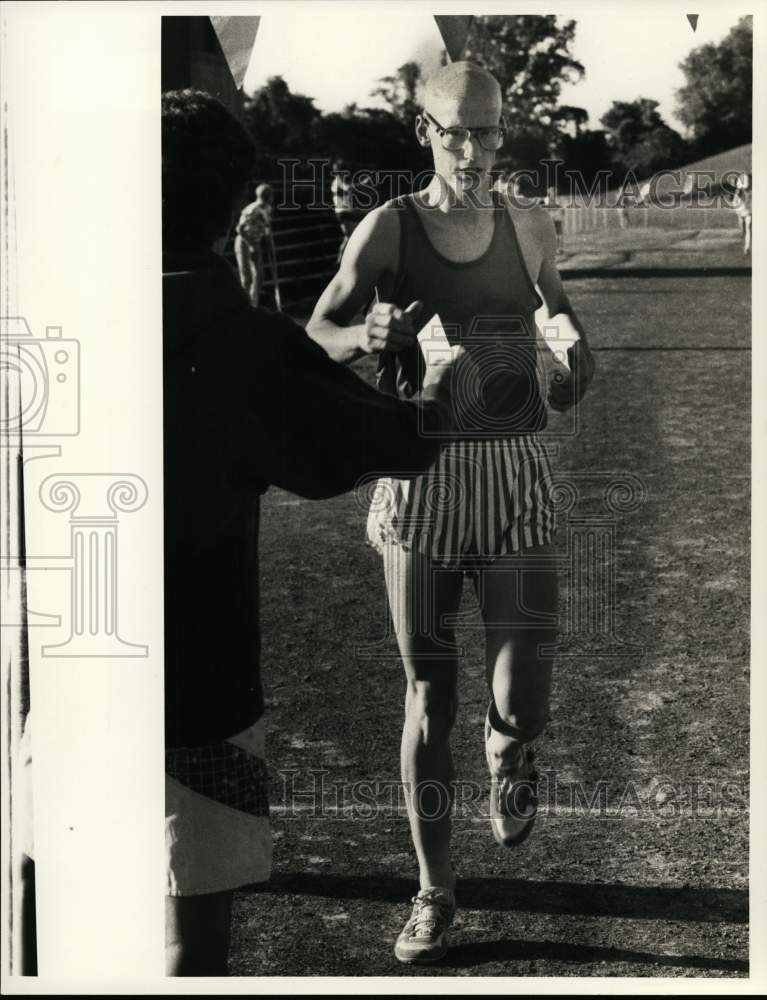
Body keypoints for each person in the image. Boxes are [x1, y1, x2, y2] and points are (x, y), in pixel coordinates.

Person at [162, 88, 462, 976]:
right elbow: (394, 441)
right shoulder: (245, 343)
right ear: (228, 204)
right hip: (196, 689)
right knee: (189, 932)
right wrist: (435, 374)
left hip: (51, 679)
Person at [307, 61, 595, 964]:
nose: (474, 150)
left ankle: (511, 758)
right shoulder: (389, 230)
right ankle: (434, 891)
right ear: (422, 132)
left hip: (512, 475)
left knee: (523, 701)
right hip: (422, 480)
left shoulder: (531, 224)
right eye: (456, 131)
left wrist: (573, 360)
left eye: (490, 130)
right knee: (430, 696)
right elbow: (319, 331)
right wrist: (365, 338)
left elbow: (564, 335)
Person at [234, 182, 279, 307]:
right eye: (271, 195)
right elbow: (239, 229)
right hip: (244, 242)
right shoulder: (251, 209)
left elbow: (266, 228)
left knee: (259, 278)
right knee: (247, 278)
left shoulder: (268, 210)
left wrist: (269, 244)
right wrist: (251, 245)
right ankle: (244, 307)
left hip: (256, 242)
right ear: (267, 196)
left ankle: (253, 305)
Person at [331, 160, 368, 264]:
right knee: (352, 236)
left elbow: (348, 190)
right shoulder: (338, 181)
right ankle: (344, 260)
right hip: (344, 212)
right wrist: (362, 183)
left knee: (348, 236)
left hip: (344, 212)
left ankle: (340, 260)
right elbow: (348, 188)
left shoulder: (340, 181)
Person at [729, 172, 752, 256]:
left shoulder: (750, 190)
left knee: (748, 228)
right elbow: (733, 200)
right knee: (744, 229)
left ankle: (747, 247)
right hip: (740, 211)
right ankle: (744, 237)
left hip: (748, 212)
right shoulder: (738, 192)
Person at [544, 185, 565, 254]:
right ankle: (553, 249)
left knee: (559, 234)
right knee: (553, 234)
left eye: (555, 192)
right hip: (551, 217)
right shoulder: (546, 199)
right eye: (552, 192)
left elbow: (562, 209)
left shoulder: (558, 199)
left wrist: (561, 214)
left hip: (558, 217)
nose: (554, 193)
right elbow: (547, 208)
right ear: (549, 193)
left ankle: (559, 248)